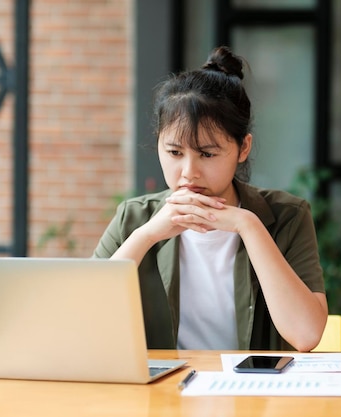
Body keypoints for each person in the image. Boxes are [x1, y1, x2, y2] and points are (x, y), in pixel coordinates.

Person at [94, 46, 327, 352]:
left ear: (243, 148)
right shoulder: (134, 218)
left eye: (206, 153)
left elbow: (306, 335)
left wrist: (248, 225)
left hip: (255, 395)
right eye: (175, 153)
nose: (189, 172)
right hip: (161, 396)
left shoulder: (288, 216)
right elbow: (87, 323)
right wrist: (148, 235)